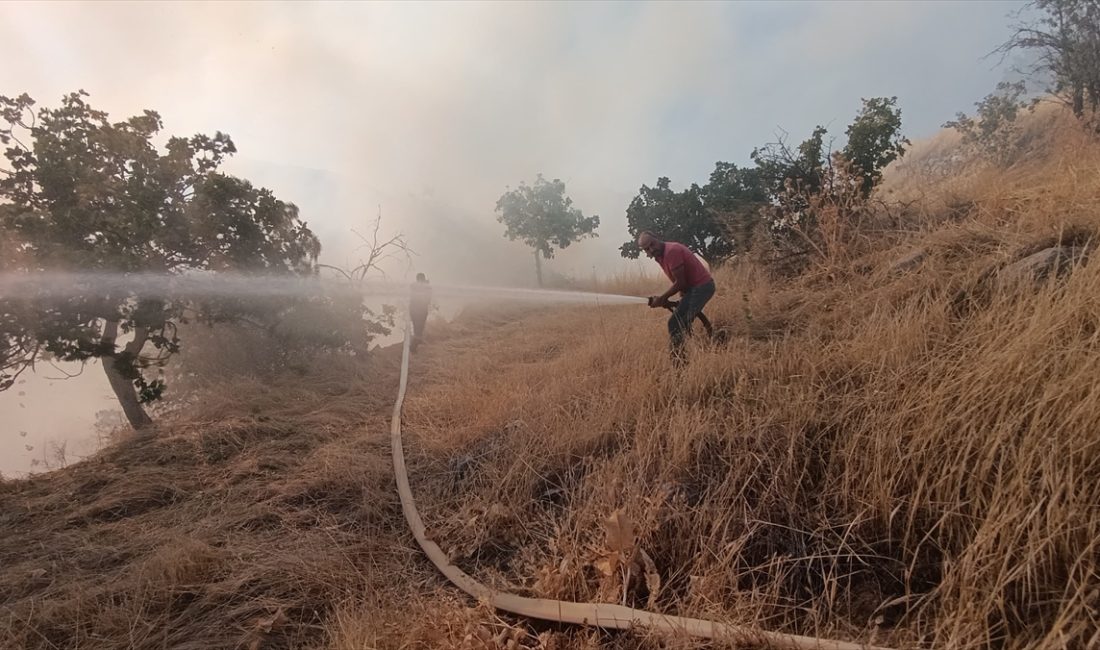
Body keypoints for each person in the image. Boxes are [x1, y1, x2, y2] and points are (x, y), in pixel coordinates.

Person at [637, 231, 716, 363]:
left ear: (657, 238)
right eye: (647, 249)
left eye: (652, 244)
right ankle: (705, 344)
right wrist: (677, 298)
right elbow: (680, 282)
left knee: (675, 324)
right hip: (693, 289)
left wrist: (662, 299)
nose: (651, 249)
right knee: (682, 322)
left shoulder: (671, 251)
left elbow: (680, 282)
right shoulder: (659, 255)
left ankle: (679, 364)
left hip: (702, 288)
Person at [409, 273, 432, 351]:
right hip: (421, 310)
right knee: (420, 328)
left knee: (417, 328)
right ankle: (413, 347)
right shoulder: (427, 287)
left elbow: (410, 297)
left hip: (413, 310)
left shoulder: (412, 286)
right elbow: (428, 299)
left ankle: (416, 343)